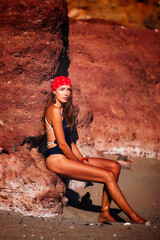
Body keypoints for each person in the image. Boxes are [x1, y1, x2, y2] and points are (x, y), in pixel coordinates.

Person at [44, 76, 146, 224]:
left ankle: (105, 212)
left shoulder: (63, 112)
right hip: (56, 159)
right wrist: (82, 164)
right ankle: (133, 216)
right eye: (62, 89)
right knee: (108, 175)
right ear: (54, 92)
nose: (66, 93)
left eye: (68, 89)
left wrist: (82, 159)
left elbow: (70, 143)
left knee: (115, 166)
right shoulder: (53, 110)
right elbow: (62, 145)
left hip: (66, 156)